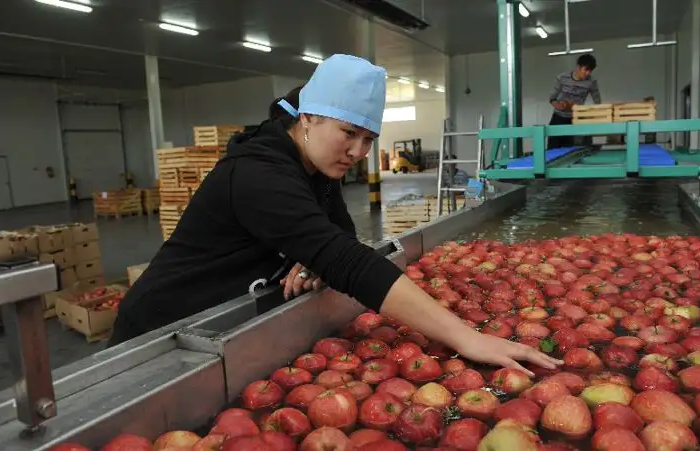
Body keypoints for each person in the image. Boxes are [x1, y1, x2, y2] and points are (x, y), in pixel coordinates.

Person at [108, 54, 562, 374]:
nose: (359, 152)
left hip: (219, 324)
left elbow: (337, 237)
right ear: (308, 118)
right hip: (158, 334)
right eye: (348, 133)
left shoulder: (316, 168)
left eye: (368, 139)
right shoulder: (257, 173)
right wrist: (466, 338)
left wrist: (310, 257)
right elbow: (346, 259)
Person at [548, 53, 602, 149]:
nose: (588, 73)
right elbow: (552, 98)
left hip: (575, 119)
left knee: (569, 149)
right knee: (553, 149)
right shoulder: (562, 78)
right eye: (586, 70)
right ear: (578, 67)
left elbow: (597, 102)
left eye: (590, 71)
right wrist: (560, 106)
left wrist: (593, 114)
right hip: (558, 118)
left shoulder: (591, 82)